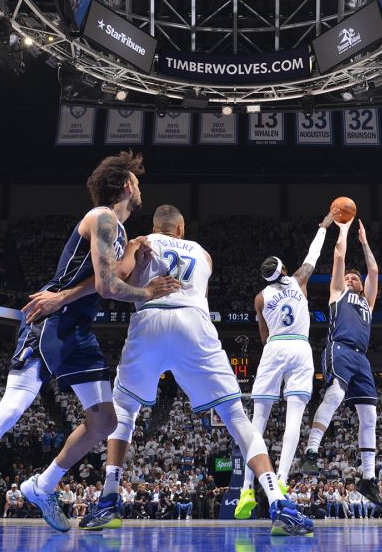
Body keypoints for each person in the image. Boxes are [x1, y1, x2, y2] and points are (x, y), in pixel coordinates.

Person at [0, 152, 181, 536]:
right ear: (126, 185)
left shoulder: (119, 232)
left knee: (105, 420)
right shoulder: (102, 218)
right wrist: (146, 289)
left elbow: (103, 280)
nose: (141, 188)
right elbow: (109, 285)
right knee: (11, 409)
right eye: (136, 182)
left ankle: (42, 486)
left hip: (77, 325)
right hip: (52, 321)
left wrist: (134, 253)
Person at [77, 205, 315, 536]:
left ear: (156, 226)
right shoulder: (203, 254)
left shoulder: (142, 241)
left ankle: (109, 499)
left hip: (150, 319)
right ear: (181, 228)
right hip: (194, 323)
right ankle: (278, 502)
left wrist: (135, 259)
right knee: (236, 417)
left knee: (125, 412)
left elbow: (116, 277)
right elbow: (200, 297)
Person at [235, 213, 333, 520]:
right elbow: (313, 255)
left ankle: (247, 489)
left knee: (258, 419)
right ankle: (282, 480)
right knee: (294, 418)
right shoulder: (300, 280)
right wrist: (324, 226)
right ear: (285, 271)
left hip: (275, 346)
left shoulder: (260, 298)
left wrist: (272, 347)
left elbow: (263, 334)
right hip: (300, 347)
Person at [300, 218, 382, 509]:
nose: (351, 279)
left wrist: (365, 241)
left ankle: (368, 477)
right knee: (335, 394)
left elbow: (373, 270)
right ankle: (311, 451)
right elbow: (338, 255)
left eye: (355, 278)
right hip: (339, 348)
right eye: (348, 277)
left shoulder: (368, 302)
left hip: (361, 357)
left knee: (370, 416)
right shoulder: (338, 293)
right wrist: (345, 230)